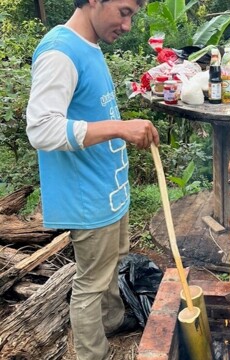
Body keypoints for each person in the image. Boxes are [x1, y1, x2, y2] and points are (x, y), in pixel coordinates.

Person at [26, 0, 159, 359]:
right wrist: (120, 127)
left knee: (112, 264)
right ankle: (92, 354)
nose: (128, 25)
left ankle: (113, 320)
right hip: (87, 197)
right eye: (124, 11)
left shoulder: (90, 45)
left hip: (108, 188)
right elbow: (41, 128)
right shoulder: (60, 52)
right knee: (91, 283)